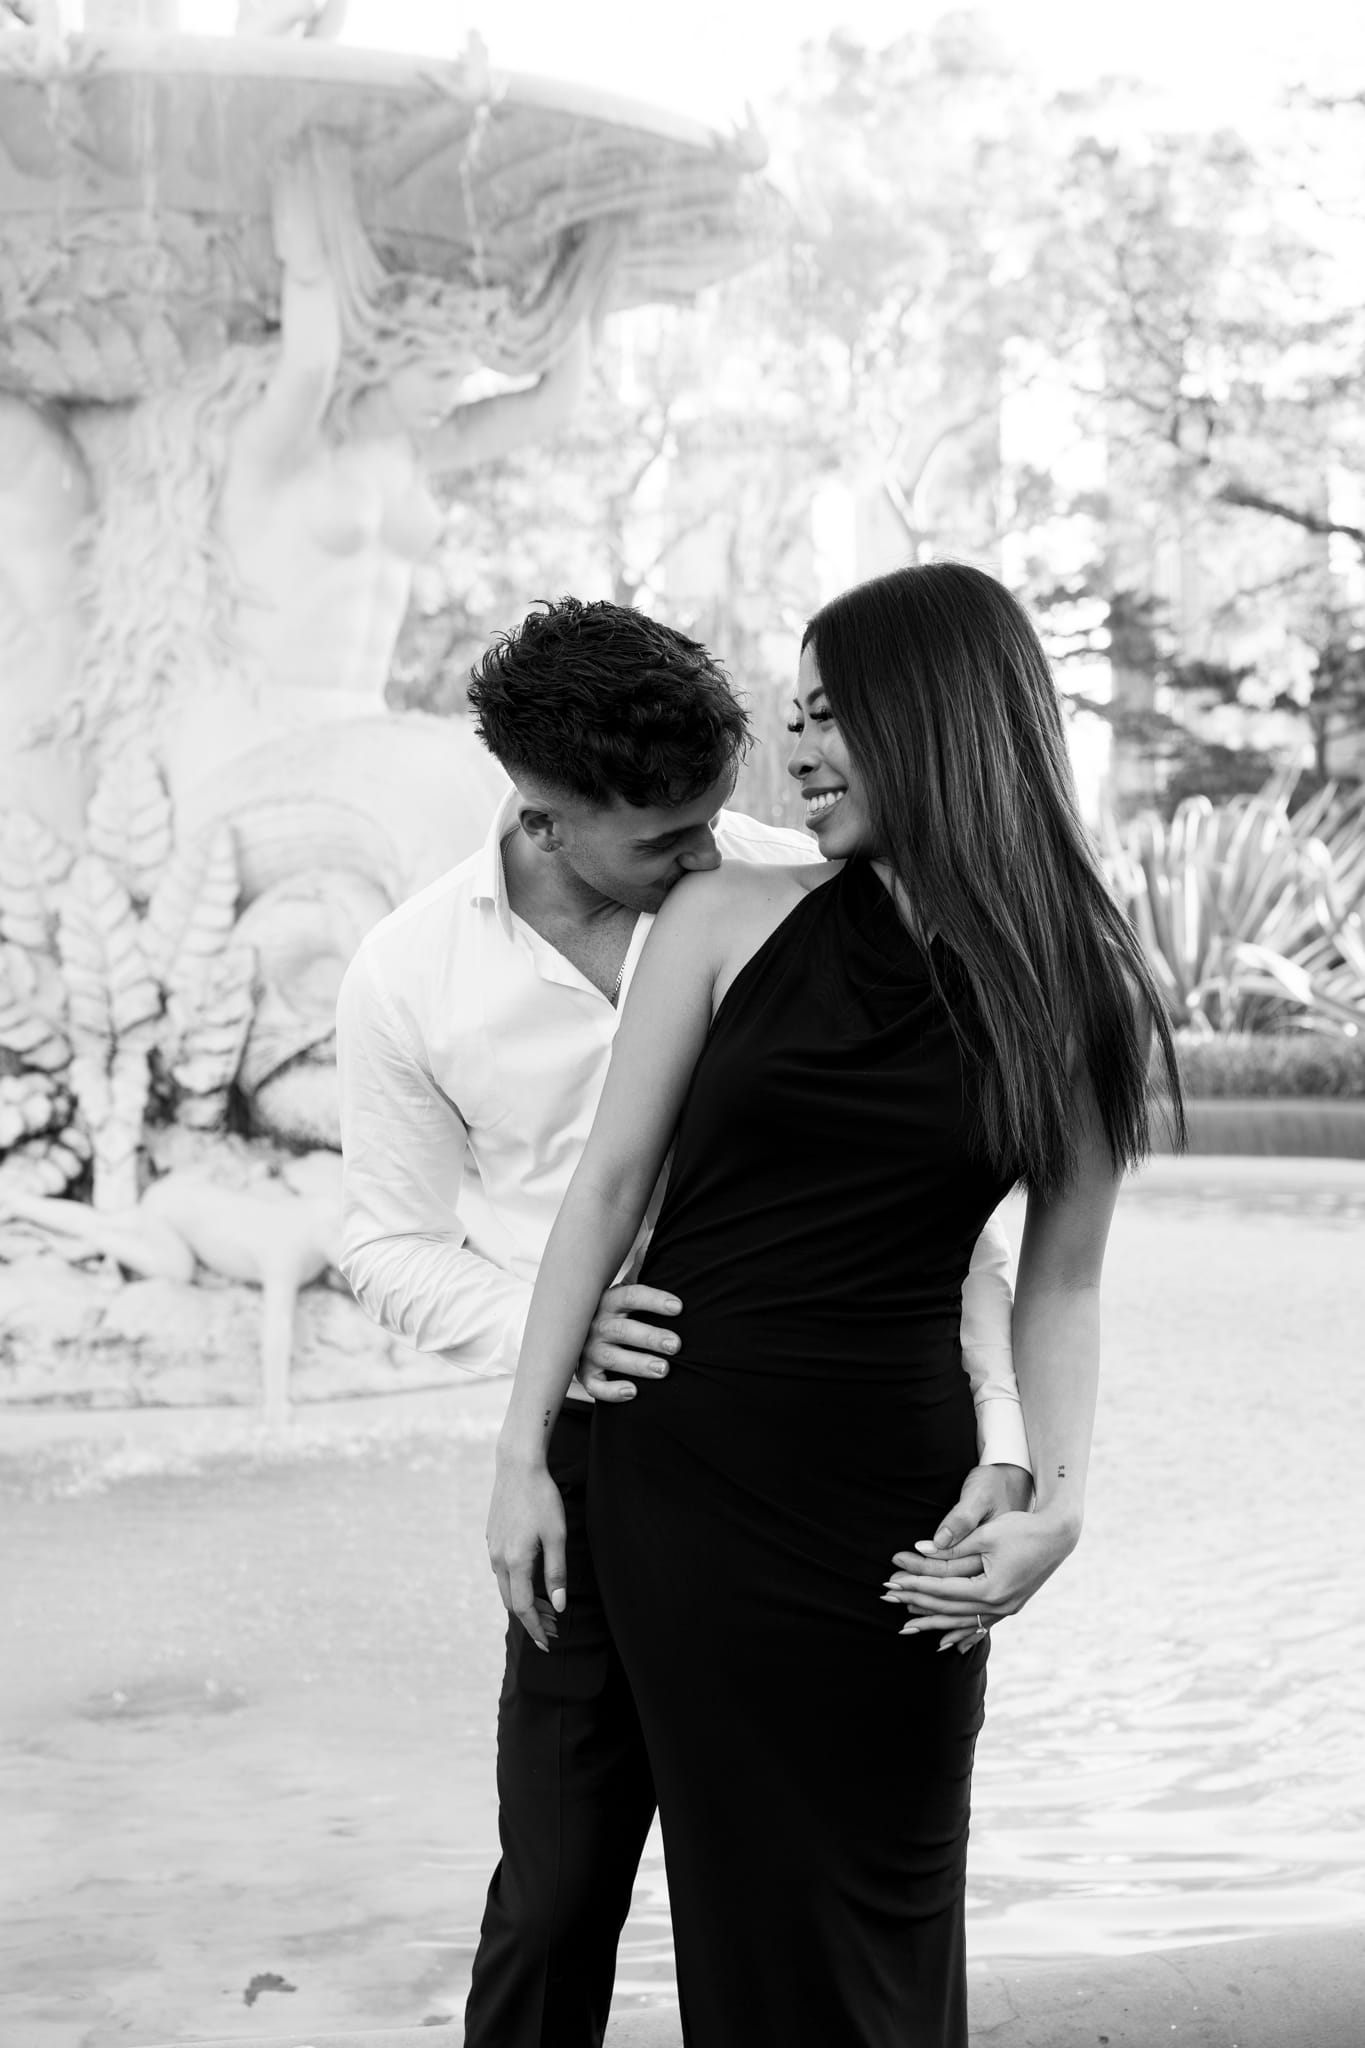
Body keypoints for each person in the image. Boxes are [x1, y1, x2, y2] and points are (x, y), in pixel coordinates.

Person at [487, 564, 1185, 2048]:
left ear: (936, 718)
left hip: (901, 1520)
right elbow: (604, 1192)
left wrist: (1056, 1504)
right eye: (795, 716)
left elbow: (1062, 1275)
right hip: (683, 1492)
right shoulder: (721, 916)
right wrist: (522, 1454)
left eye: (828, 715)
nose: (795, 750)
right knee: (742, 1917)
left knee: (888, 1914)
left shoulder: (1081, 989)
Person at [335, 596, 1034, 2048]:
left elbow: (947, 1217)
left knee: (798, 1877)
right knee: (556, 1887)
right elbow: (383, 1242)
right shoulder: (409, 973)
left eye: (716, 816)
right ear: (543, 819)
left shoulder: (796, 886)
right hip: (592, 1449)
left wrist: (1010, 1440)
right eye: (665, 840)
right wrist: (552, 1343)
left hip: (813, 1450)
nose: (708, 851)